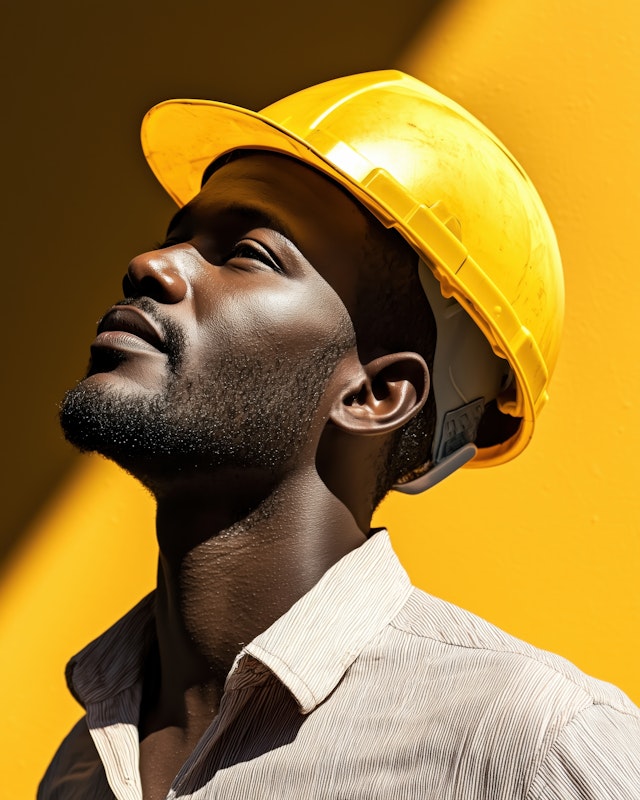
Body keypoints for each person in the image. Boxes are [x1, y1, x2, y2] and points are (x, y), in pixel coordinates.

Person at [39, 71, 639, 799]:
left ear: (376, 394)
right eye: (178, 238)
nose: (151, 265)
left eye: (247, 254)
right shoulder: (85, 764)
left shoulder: (529, 746)